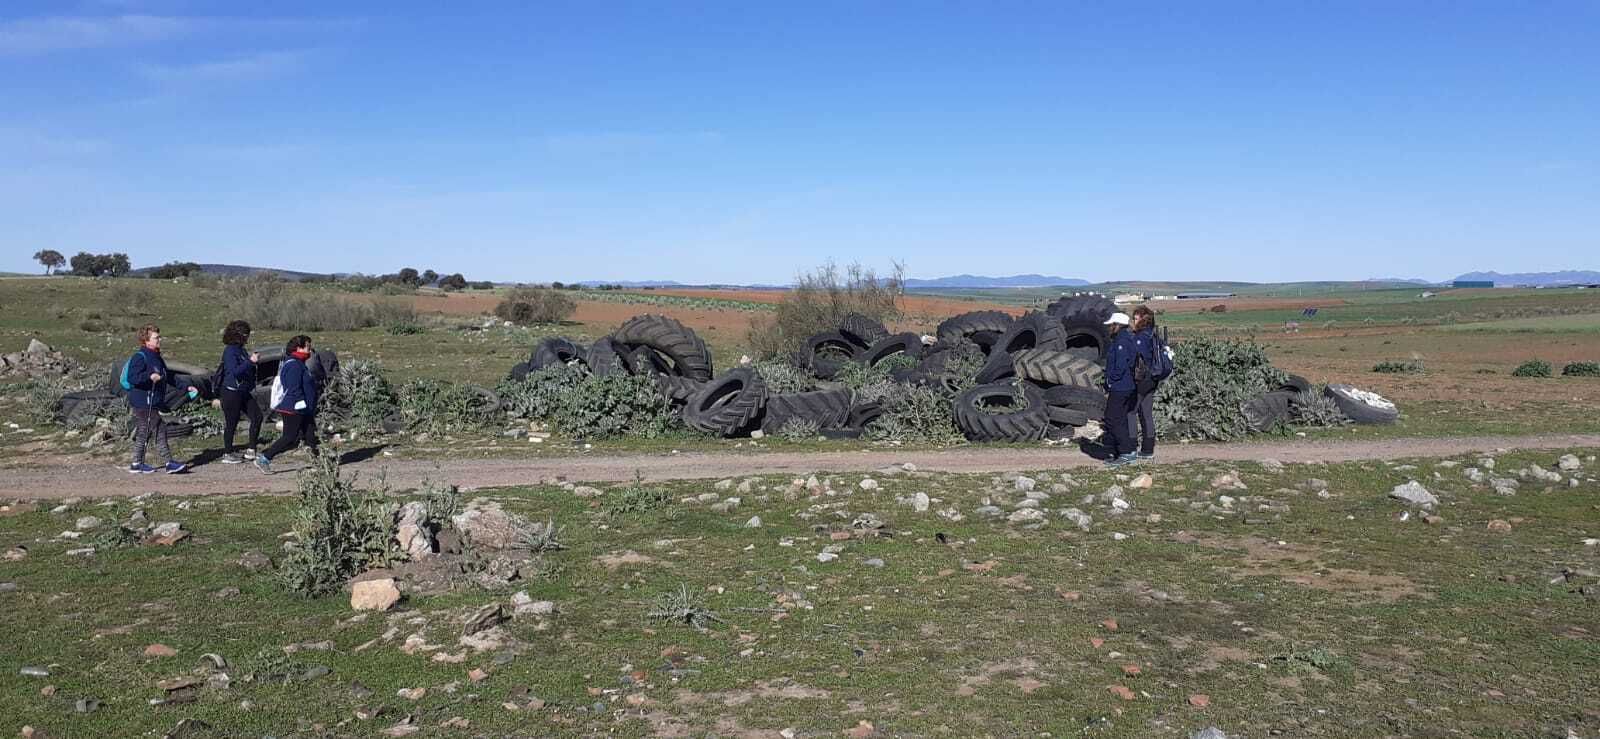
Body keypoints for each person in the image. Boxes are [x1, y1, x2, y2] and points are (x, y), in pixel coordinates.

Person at [123, 325, 197, 474]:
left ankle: (136, 463)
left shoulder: (157, 358)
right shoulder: (140, 357)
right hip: (143, 401)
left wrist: (186, 387)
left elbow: (169, 377)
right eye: (156, 337)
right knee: (159, 428)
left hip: (153, 401)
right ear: (146, 340)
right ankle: (169, 462)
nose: (160, 340)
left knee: (144, 431)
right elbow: (132, 377)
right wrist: (149, 377)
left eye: (159, 337)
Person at [255, 335, 319, 475]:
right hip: (294, 408)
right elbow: (293, 387)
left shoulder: (299, 363)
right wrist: (300, 404)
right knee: (289, 437)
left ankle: (318, 463)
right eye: (307, 347)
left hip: (303, 408)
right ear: (298, 348)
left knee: (310, 434)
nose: (310, 350)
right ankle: (264, 458)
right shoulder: (293, 365)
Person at [1099, 312, 1152, 468]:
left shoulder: (1121, 341)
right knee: (1121, 418)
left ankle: (1126, 452)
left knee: (1111, 418)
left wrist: (1110, 381)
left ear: (1117, 325)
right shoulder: (1127, 338)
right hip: (1127, 386)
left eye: (1111, 325)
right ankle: (1127, 451)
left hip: (1121, 386)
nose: (1109, 327)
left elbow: (1121, 366)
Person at [217, 320, 263, 464]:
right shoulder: (230, 351)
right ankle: (227, 453)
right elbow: (235, 372)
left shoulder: (240, 349)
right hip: (231, 392)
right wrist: (250, 361)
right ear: (239, 335)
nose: (248, 337)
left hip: (242, 391)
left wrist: (251, 364)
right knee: (232, 422)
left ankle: (251, 450)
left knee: (257, 416)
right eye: (246, 334)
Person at [1127, 305, 1162, 460]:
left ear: (1143, 319)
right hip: (1153, 379)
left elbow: (1132, 359)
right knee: (1146, 413)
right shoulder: (1154, 336)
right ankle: (1148, 449)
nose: (1133, 321)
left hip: (1141, 380)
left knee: (1130, 412)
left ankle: (1131, 447)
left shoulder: (1139, 338)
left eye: (1135, 318)